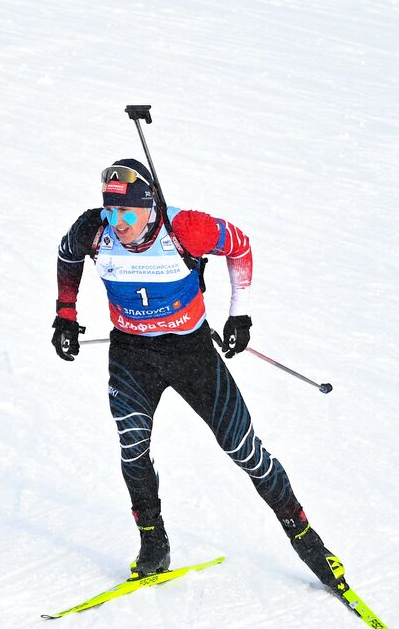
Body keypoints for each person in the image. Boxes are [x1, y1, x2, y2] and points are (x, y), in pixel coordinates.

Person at [50, 158, 348, 599]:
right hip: (133, 355)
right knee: (133, 448)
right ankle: (153, 542)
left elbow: (239, 246)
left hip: (191, 354)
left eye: (126, 213)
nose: (118, 223)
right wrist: (65, 315)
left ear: (149, 207)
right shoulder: (93, 230)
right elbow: (67, 257)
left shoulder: (185, 229)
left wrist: (239, 314)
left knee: (244, 449)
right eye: (111, 212)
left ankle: (308, 541)